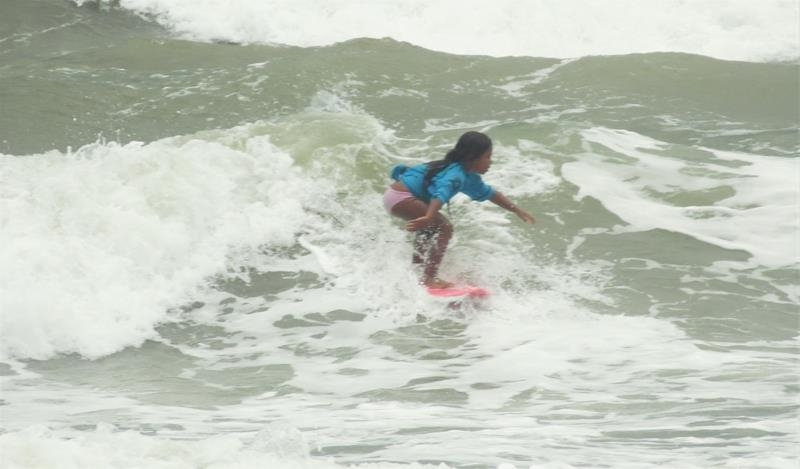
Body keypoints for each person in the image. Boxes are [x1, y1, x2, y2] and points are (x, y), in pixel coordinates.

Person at [383, 131, 535, 288]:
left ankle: (417, 271)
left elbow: (491, 194)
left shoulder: (467, 176)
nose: (490, 162)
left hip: (395, 196)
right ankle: (429, 278)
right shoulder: (455, 175)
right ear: (472, 157)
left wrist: (517, 210)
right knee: (444, 227)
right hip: (402, 197)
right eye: (487, 157)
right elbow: (441, 194)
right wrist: (429, 216)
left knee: (428, 230)